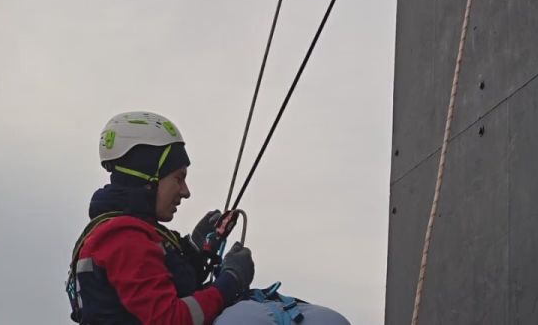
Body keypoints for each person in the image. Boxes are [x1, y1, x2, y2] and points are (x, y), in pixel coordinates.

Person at [66, 111, 350, 325]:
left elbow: (155, 289)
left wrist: (195, 251)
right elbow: (170, 319)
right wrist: (230, 283)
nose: (185, 191)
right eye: (178, 178)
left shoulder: (120, 233)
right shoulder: (123, 237)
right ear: (150, 179)